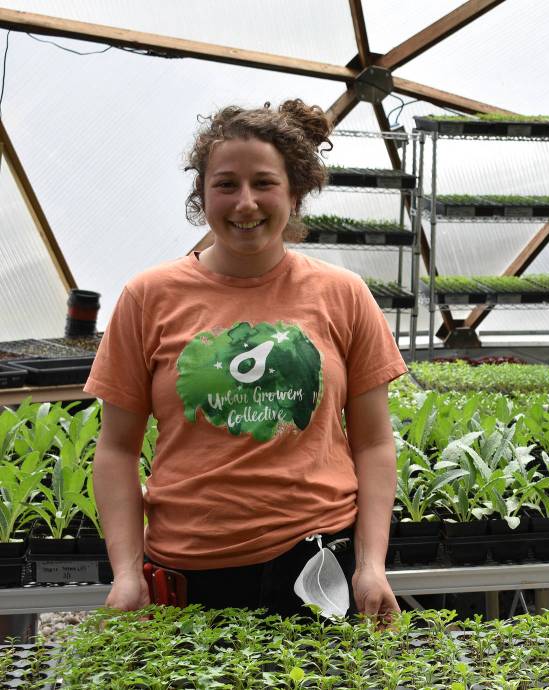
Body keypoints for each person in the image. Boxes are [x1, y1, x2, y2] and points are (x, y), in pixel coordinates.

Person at [85, 99, 407, 621]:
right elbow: (117, 449)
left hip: (316, 567)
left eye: (264, 183)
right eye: (226, 184)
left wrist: (372, 565)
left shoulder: (342, 294)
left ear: (295, 192)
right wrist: (126, 573)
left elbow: (373, 442)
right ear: (202, 194)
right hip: (187, 573)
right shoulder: (149, 297)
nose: (245, 203)